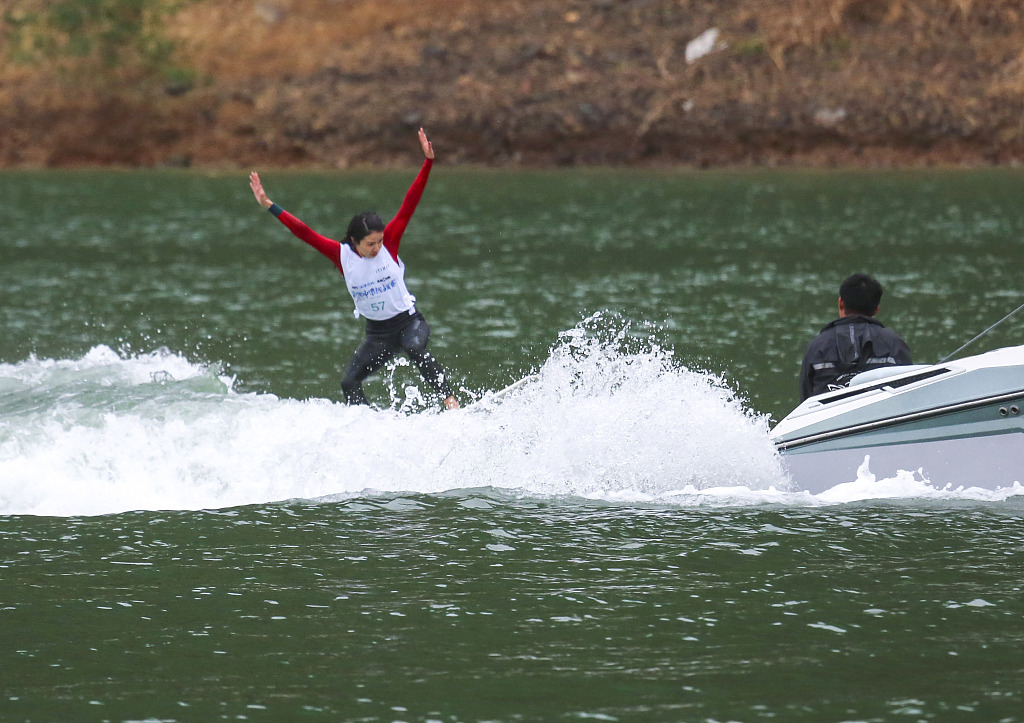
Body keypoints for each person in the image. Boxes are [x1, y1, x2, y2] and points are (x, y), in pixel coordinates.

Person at [249, 128, 459, 410]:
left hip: (410, 323)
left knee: (414, 347)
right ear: (354, 242)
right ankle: (366, 425)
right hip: (378, 334)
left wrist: (428, 162)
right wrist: (269, 205)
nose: (377, 248)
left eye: (379, 241)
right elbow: (304, 232)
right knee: (349, 383)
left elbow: (410, 202)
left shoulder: (390, 242)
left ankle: (450, 400)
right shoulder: (341, 255)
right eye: (370, 244)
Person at [800, 273, 912, 401]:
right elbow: (908, 393)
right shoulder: (894, 344)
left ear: (840, 303)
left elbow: (805, 400)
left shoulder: (817, 346)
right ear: (876, 309)